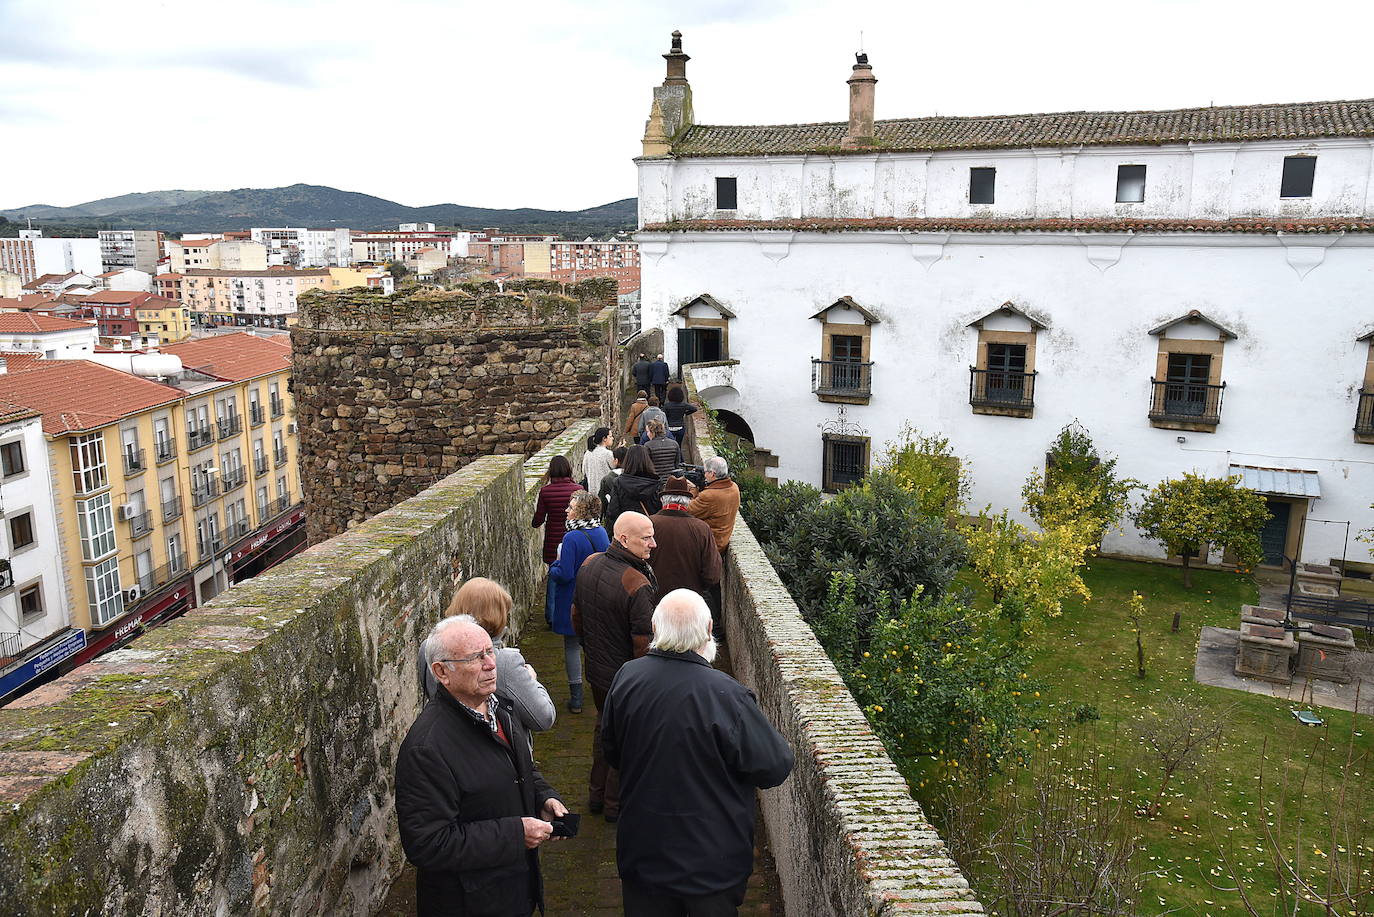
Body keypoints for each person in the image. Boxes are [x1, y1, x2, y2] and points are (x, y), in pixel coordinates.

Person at [602, 590, 794, 916]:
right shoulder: (727, 695)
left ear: (654, 627)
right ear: (708, 630)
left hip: (644, 856)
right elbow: (775, 766)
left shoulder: (627, 678)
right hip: (710, 864)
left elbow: (612, 750)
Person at [396, 615, 569, 917]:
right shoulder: (427, 748)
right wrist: (516, 834)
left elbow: (517, 768)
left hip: (512, 888)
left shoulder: (498, 707)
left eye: (490, 651)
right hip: (470, 902)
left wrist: (543, 796)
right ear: (442, 672)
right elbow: (428, 844)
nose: (491, 664)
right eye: (475, 658)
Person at [572, 511, 658, 823]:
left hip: (596, 670)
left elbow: (577, 616)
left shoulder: (589, 563)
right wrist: (645, 683)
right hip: (622, 676)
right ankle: (614, 805)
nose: (653, 543)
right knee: (626, 740)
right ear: (623, 539)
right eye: (645, 538)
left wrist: (589, 648)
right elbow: (642, 643)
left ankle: (596, 794)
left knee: (602, 729)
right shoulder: (636, 583)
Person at [423, 578, 556, 742]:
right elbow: (544, 718)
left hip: (445, 736)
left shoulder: (429, 648)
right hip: (491, 745)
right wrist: (532, 680)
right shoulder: (506, 661)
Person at [548, 490, 610, 714]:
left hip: (573, 598)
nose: (567, 510)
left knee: (572, 646)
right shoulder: (601, 532)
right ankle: (601, 688)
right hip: (596, 594)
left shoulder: (571, 537)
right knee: (594, 644)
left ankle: (576, 698)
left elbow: (564, 573)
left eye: (571, 507)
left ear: (581, 511)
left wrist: (553, 567)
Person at [648, 477, 721, 600]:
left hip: (654, 600)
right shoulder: (701, 528)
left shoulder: (648, 524)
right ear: (688, 501)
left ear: (662, 500)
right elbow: (712, 574)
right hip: (690, 601)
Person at [531, 454, 583, 627]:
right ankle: (575, 613)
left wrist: (535, 522)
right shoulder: (578, 490)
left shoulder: (546, 491)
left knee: (554, 577)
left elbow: (539, 519)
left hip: (554, 539)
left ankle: (552, 616)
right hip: (574, 538)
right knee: (575, 576)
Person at [687, 456, 741, 554]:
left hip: (709, 543)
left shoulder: (709, 496)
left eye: (706, 472)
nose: (704, 475)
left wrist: (693, 490)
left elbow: (687, 511)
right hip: (722, 539)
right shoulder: (734, 487)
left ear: (712, 474)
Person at [605, 445, 661, 533]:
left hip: (628, 530)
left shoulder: (619, 482)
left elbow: (613, 511)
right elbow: (659, 508)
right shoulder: (655, 483)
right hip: (650, 529)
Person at [581, 426, 615, 496]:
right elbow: (614, 467)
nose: (612, 438)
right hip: (605, 491)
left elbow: (584, 470)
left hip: (591, 491)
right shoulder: (607, 453)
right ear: (604, 438)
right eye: (610, 436)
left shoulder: (588, 453)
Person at [598, 445, 628, 512]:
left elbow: (602, 501)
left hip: (615, 515)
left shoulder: (607, 479)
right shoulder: (634, 476)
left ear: (616, 460)